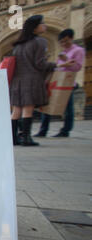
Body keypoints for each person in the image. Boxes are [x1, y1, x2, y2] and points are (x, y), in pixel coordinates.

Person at [10, 15, 75, 146]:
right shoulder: (40, 42)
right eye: (42, 23)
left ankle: (13, 138)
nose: (44, 26)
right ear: (35, 27)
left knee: (16, 109)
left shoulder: (18, 45)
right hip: (32, 80)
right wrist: (61, 65)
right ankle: (27, 138)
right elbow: (40, 64)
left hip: (17, 81)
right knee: (28, 108)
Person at [34, 29, 86, 138]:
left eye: (66, 41)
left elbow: (77, 67)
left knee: (68, 108)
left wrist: (66, 60)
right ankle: (43, 130)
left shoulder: (78, 50)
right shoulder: (62, 52)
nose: (64, 44)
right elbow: (57, 67)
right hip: (57, 81)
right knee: (47, 105)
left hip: (68, 82)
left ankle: (65, 130)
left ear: (71, 38)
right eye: (61, 42)